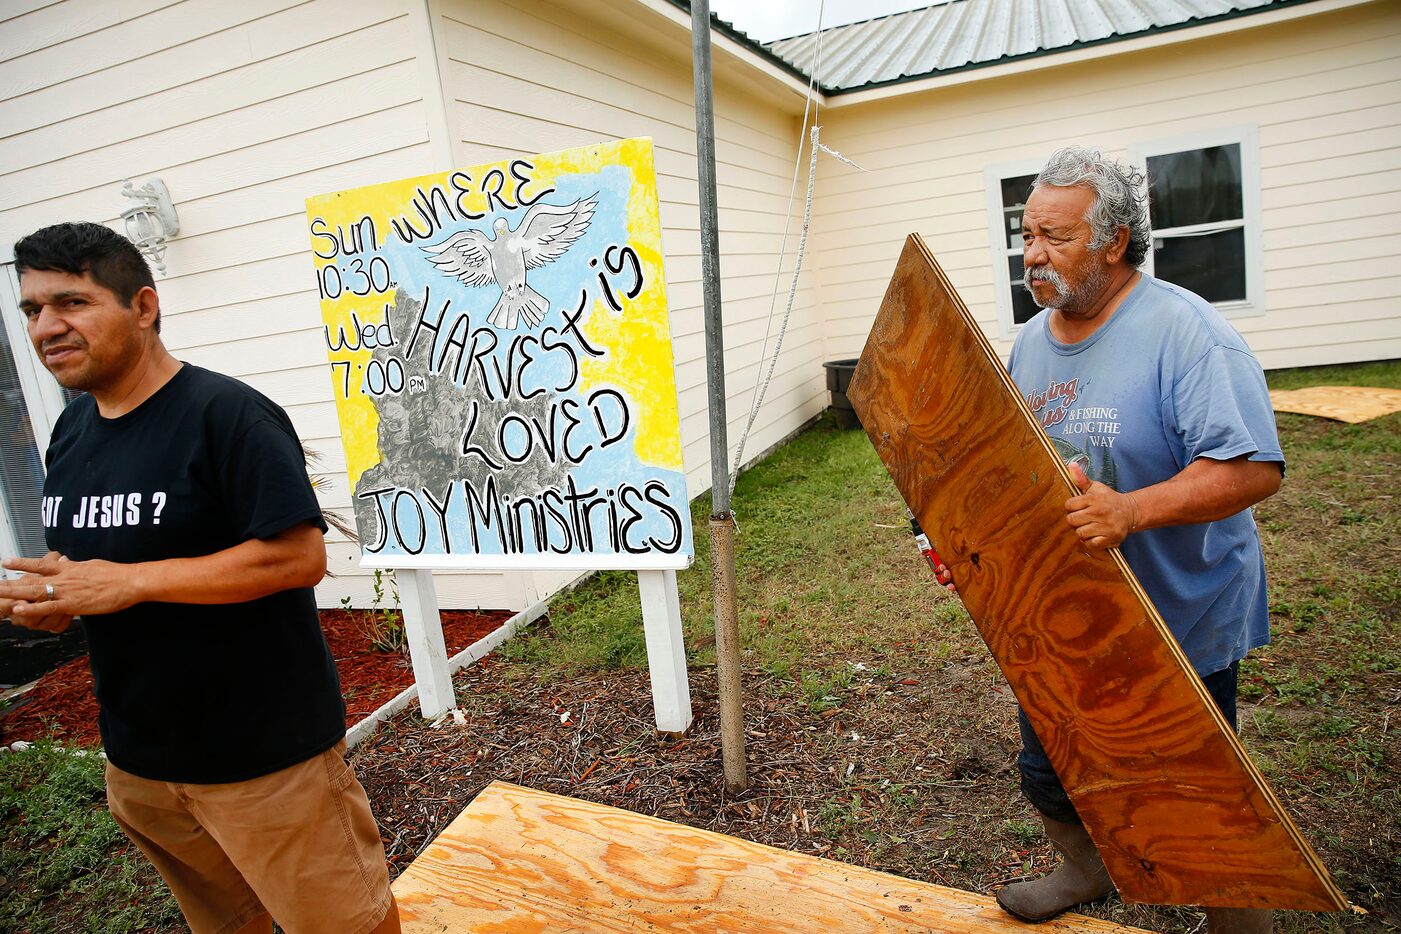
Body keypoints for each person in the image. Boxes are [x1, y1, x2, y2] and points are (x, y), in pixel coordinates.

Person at [0, 222, 401, 934]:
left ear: (144, 307)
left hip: (264, 763)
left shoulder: (226, 415)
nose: (46, 326)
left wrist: (127, 583)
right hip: (140, 763)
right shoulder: (72, 431)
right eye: (31, 309)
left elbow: (298, 557)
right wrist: (59, 599)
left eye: (71, 302)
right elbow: (94, 570)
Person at [992, 148, 1284, 934]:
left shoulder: (1187, 332)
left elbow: (1253, 467)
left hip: (1178, 610)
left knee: (1194, 794)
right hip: (1068, 611)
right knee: (1049, 769)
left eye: (1054, 237)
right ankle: (1083, 870)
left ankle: (1238, 924)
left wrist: (1131, 512)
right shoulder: (1026, 343)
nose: (1032, 255)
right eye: (1026, 235)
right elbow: (1017, 466)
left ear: (1114, 241)